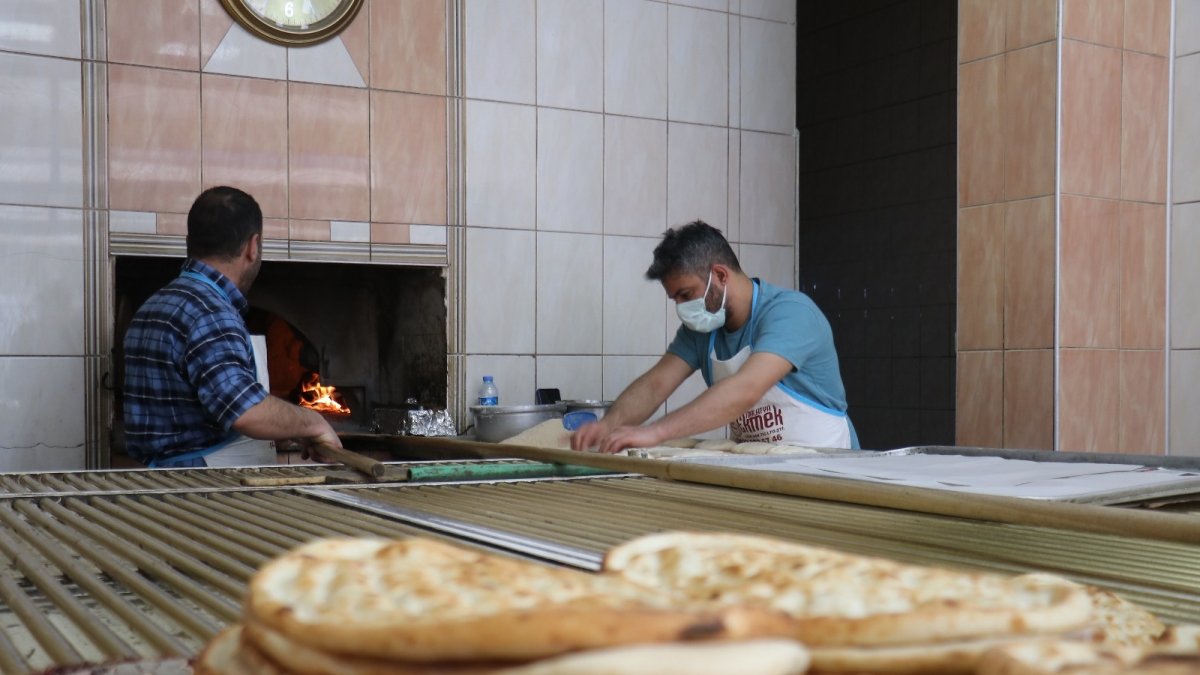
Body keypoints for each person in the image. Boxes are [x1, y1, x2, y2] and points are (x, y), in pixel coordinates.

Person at [571, 221, 858, 454]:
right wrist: (608, 425)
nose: (682, 307)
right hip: (758, 471)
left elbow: (746, 390)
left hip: (826, 466)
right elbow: (655, 385)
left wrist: (654, 432)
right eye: (674, 299)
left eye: (685, 294)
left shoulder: (791, 314)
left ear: (720, 275)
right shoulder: (702, 331)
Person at [123, 186, 343, 468]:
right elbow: (245, 410)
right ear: (252, 246)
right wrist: (313, 422)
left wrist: (291, 427)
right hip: (201, 490)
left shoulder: (155, 304)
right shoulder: (211, 312)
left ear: (190, 241)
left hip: (163, 483)